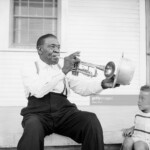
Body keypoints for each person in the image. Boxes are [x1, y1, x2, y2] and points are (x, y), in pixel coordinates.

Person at [17, 34, 118, 150]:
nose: (56, 50)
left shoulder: (63, 68)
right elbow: (38, 91)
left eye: (58, 47)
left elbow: (82, 88)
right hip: (37, 113)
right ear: (40, 50)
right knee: (32, 126)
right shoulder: (29, 67)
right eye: (52, 46)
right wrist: (63, 71)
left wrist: (103, 84)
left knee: (91, 120)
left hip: (64, 112)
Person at [121, 85, 150, 150]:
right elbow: (140, 125)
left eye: (143, 98)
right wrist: (132, 128)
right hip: (136, 137)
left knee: (139, 145)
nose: (139, 101)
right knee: (127, 141)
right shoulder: (138, 113)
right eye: (139, 97)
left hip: (146, 141)